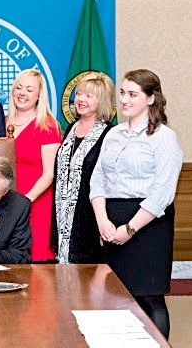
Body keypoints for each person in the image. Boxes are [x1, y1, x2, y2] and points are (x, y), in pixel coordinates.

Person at [90, 69, 183, 339]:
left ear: (151, 99)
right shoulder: (113, 134)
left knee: (149, 299)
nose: (124, 100)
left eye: (133, 94)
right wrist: (103, 220)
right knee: (115, 297)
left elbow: (163, 193)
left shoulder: (164, 137)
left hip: (148, 225)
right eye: (122, 93)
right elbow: (97, 181)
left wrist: (129, 229)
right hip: (111, 221)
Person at [52, 72, 115, 264]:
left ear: (102, 101)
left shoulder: (109, 134)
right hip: (63, 217)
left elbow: (110, 181)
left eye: (89, 96)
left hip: (90, 221)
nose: (80, 99)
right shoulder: (71, 128)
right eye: (79, 94)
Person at [5, 69, 61, 262]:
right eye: (19, 88)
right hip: (5, 202)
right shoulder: (3, 122)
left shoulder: (47, 125)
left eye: (29, 89)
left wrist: (25, 201)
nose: (22, 93)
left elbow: (49, 174)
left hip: (35, 203)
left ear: (39, 95)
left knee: (35, 264)